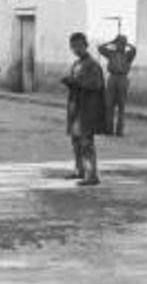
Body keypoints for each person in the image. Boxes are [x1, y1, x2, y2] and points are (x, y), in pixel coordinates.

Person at [61, 32, 107, 186]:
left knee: (86, 142)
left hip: (87, 109)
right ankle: (79, 170)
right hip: (76, 109)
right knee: (76, 142)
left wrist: (76, 83)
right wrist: (70, 82)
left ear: (86, 45)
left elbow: (97, 85)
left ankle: (92, 175)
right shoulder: (77, 64)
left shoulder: (93, 65)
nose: (76, 49)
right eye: (73, 47)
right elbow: (77, 82)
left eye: (78, 46)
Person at [97, 34, 136, 136]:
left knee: (121, 106)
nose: (120, 46)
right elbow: (100, 48)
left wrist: (127, 43)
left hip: (123, 78)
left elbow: (134, 49)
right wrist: (111, 41)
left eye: (122, 43)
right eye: (118, 43)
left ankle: (119, 130)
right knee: (109, 105)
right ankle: (109, 129)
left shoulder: (128, 55)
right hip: (112, 78)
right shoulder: (111, 53)